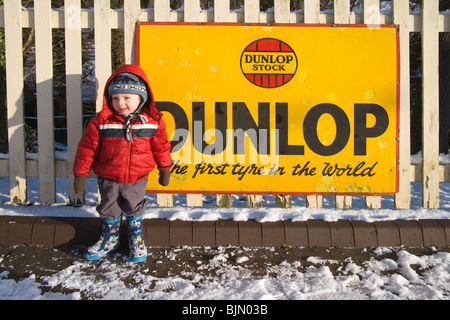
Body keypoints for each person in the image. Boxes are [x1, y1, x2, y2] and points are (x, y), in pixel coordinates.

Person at [72, 64, 172, 263]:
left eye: (127, 98)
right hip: (108, 176)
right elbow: (86, 149)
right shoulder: (102, 121)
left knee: (134, 206)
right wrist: (80, 174)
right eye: (115, 98)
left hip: (137, 177)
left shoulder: (152, 122)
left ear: (141, 98)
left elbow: (161, 147)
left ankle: (136, 238)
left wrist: (165, 168)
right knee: (108, 206)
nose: (121, 103)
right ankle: (110, 238)